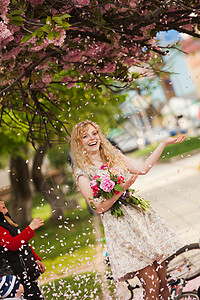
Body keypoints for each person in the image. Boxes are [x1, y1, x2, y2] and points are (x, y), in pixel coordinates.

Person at [70, 120, 186, 300]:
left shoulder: (113, 156)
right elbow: (98, 207)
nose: (92, 138)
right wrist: (120, 188)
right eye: (85, 136)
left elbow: (143, 168)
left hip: (140, 219)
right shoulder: (82, 173)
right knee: (152, 284)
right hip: (121, 228)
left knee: (163, 282)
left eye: (94, 133)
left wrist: (162, 144)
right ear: (79, 143)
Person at [0, 200, 46, 299]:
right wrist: (30, 228)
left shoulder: (7, 223)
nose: (2, 202)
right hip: (14, 278)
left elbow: (23, 243)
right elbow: (12, 244)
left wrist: (36, 259)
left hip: (26, 274)